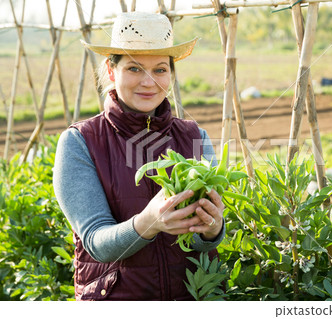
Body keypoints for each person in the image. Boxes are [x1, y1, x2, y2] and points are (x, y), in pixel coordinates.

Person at [53, 12, 225, 301]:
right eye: (134, 68)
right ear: (111, 70)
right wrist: (149, 222)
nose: (148, 82)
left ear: (171, 74)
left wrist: (212, 229)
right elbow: (97, 243)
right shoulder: (80, 141)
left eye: (159, 70)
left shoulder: (195, 136)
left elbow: (203, 241)